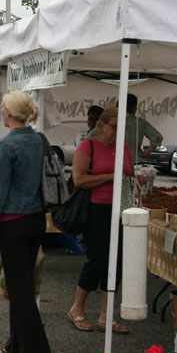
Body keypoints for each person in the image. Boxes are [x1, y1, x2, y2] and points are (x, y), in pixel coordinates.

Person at [0, 91, 51, 353]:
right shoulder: (38, 140)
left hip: (14, 222)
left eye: (2, 107)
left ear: (8, 112)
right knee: (20, 285)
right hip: (36, 220)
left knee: (19, 289)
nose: (0, 111)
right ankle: (16, 345)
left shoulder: (6, 145)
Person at [67, 107, 133, 334]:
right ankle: (77, 307)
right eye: (114, 127)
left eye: (122, 128)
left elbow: (128, 174)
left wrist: (136, 177)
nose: (118, 132)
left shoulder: (124, 148)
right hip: (97, 209)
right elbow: (79, 180)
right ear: (102, 125)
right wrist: (110, 176)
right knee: (98, 259)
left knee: (117, 263)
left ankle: (107, 316)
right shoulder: (89, 146)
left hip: (122, 210)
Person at [124, 94, 163, 166]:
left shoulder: (111, 121)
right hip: (135, 162)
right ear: (134, 108)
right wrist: (145, 153)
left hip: (115, 162)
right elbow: (157, 137)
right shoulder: (140, 122)